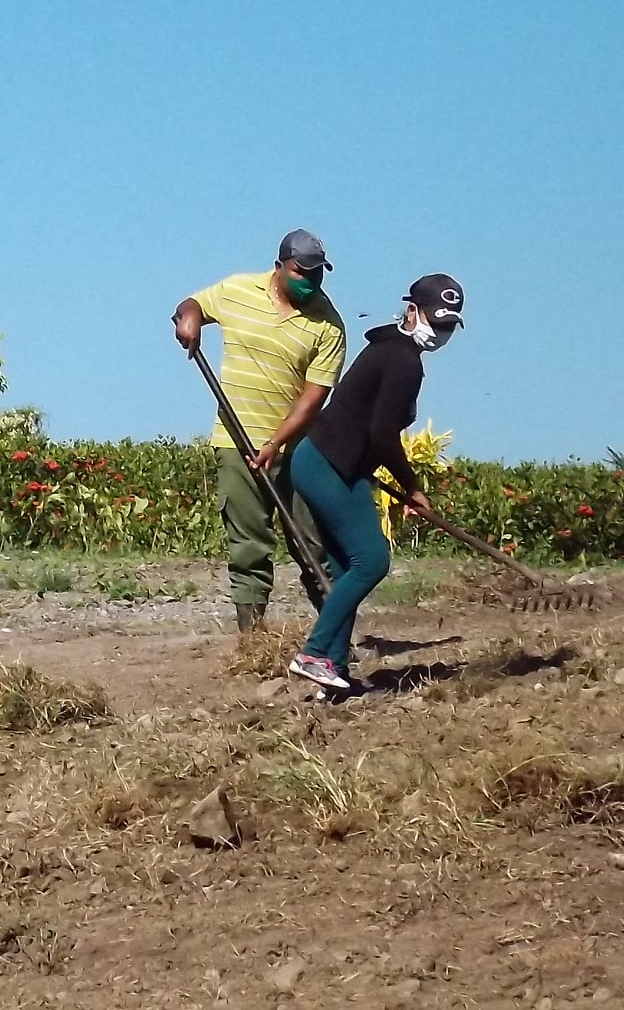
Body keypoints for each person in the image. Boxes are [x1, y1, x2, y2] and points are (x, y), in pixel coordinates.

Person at [286, 274, 465, 691]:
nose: (440, 333)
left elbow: (373, 430)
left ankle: (333, 668)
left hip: (331, 464)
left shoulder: (390, 349)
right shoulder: (403, 361)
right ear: (411, 312)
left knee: (348, 566)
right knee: (372, 561)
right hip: (325, 465)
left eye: (448, 326)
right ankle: (313, 654)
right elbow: (384, 434)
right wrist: (413, 487)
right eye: (435, 322)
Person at [173, 229, 347, 630]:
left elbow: (313, 397)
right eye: (302, 272)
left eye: (318, 274)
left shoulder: (329, 325)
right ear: (280, 267)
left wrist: (275, 443)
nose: (311, 281)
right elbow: (195, 303)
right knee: (249, 545)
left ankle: (335, 638)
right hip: (235, 443)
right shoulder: (238, 290)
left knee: (314, 545)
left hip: (298, 450)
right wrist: (190, 320)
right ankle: (253, 639)